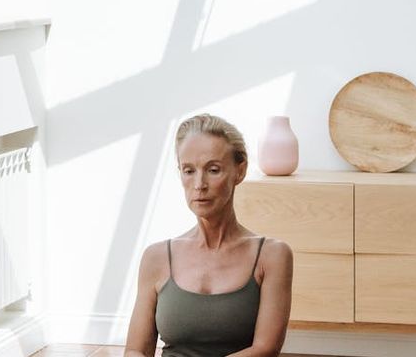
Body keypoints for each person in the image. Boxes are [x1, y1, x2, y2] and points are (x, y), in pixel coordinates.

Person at [124, 113, 293, 357]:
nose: (199, 184)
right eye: (189, 170)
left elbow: (265, 349)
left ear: (240, 171)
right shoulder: (156, 257)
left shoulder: (272, 255)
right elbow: (134, 350)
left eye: (213, 170)